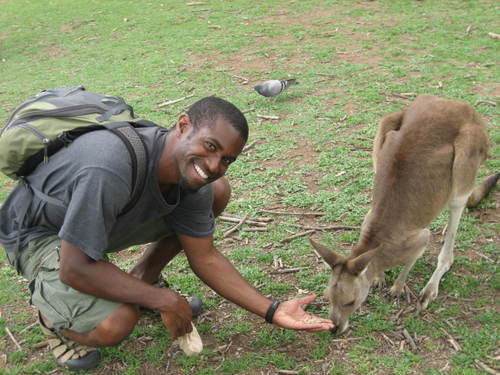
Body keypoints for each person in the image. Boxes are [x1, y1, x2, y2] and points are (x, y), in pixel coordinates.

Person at [0, 96, 334, 371]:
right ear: (183, 124)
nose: (215, 165)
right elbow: (75, 268)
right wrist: (165, 300)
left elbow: (205, 256)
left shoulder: (192, 177)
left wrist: (272, 310)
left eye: (227, 159)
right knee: (116, 323)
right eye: (210, 145)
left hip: (94, 224)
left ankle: (142, 278)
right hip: (39, 234)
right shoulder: (108, 165)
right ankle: (53, 319)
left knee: (216, 192)